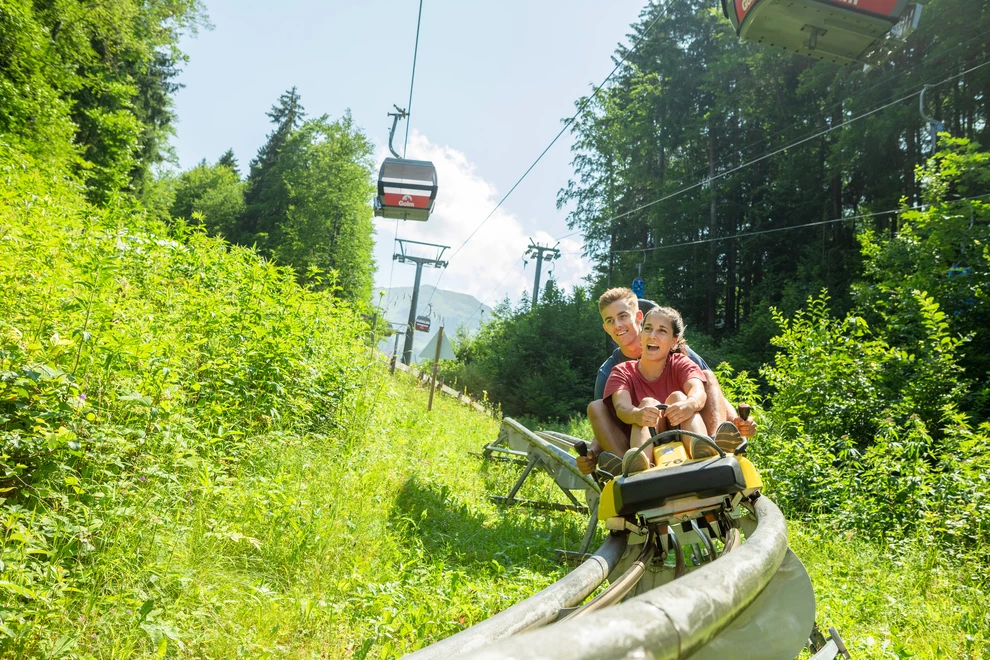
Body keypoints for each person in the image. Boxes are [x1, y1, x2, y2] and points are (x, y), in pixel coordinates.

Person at [578, 288, 754, 475]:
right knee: (599, 406)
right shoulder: (612, 371)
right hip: (641, 432)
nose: (618, 325)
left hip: (683, 421)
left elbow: (707, 389)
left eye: (623, 317)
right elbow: (611, 415)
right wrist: (594, 453)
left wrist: (737, 422)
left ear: (638, 317)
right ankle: (629, 467)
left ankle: (713, 443)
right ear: (605, 328)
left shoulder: (680, 355)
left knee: (703, 379)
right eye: (610, 321)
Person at [604, 306, 711, 473]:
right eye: (648, 329)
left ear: (673, 341)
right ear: (641, 335)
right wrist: (636, 414)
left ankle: (703, 451)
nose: (652, 336)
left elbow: (698, 391)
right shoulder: (622, 371)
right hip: (650, 436)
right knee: (646, 405)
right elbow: (621, 407)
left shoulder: (680, 363)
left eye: (661, 331)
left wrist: (690, 404)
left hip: (682, 432)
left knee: (678, 397)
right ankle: (640, 464)